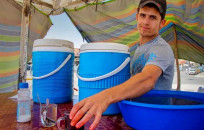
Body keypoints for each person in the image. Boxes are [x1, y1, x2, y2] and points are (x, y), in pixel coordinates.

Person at [70, 0, 174, 129]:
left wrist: (106, 96)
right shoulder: (137, 48)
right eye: (143, 15)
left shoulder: (160, 48)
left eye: (153, 17)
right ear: (137, 16)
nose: (146, 22)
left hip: (156, 120)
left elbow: (148, 79)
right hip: (136, 117)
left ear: (162, 23)